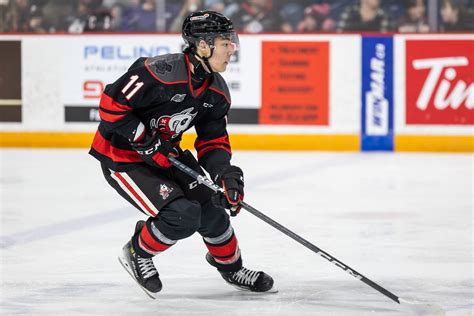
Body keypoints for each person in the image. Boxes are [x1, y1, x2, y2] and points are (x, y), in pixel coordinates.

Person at [89, 10, 274, 298]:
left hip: (166, 154)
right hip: (123, 156)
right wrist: (142, 138)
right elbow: (111, 105)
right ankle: (137, 252)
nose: (231, 50)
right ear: (202, 45)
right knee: (182, 215)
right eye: (226, 43)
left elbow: (213, 141)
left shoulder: (216, 92)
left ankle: (232, 268)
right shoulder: (159, 72)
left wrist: (225, 174)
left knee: (212, 209)